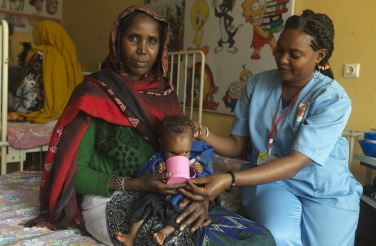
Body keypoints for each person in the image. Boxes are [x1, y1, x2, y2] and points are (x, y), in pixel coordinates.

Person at [25, 5, 275, 246]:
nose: (142, 50)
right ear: (116, 41)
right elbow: (76, 174)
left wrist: (201, 199)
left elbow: (189, 152)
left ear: (161, 46)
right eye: (133, 38)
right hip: (111, 199)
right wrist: (136, 184)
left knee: (260, 237)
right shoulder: (93, 94)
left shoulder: (165, 95)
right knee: (185, 240)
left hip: (170, 197)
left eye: (152, 41)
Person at [182, 9, 363, 246]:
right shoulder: (257, 84)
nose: (282, 59)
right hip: (271, 181)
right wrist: (201, 132)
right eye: (280, 50)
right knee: (279, 237)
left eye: (294, 55)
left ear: (319, 56)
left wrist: (229, 179)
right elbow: (237, 146)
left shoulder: (331, 99)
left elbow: (295, 163)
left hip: (324, 189)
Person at [115, 114, 214, 246]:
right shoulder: (158, 158)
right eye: (172, 153)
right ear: (162, 144)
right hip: (160, 198)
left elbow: (207, 179)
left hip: (181, 197)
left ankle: (164, 232)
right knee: (144, 202)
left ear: (192, 144)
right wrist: (158, 170)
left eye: (185, 152)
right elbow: (146, 176)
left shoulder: (197, 158)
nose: (180, 156)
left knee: (185, 212)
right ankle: (131, 236)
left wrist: (198, 170)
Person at [13, 20, 83, 123]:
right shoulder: (69, 56)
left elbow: (29, 83)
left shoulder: (40, 53)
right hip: (70, 111)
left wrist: (23, 110)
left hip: (39, 108)